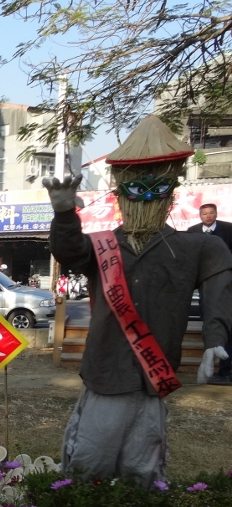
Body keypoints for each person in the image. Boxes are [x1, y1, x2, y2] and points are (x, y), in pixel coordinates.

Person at [43, 115, 232, 486]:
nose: (145, 198)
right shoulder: (100, 245)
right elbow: (68, 251)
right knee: (89, 460)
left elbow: (219, 290)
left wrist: (215, 340)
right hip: (106, 372)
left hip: (154, 374)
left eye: (156, 188)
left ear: (171, 192)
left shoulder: (197, 247)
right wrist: (64, 213)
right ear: (121, 194)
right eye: (137, 188)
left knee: (142, 464)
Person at [187, 204, 232, 384]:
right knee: (209, 318)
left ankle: (225, 370)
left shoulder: (228, 229)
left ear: (216, 213)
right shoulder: (192, 232)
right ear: (200, 215)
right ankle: (212, 366)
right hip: (203, 284)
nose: (208, 216)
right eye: (204, 213)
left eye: (211, 213)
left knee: (226, 323)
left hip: (226, 283)